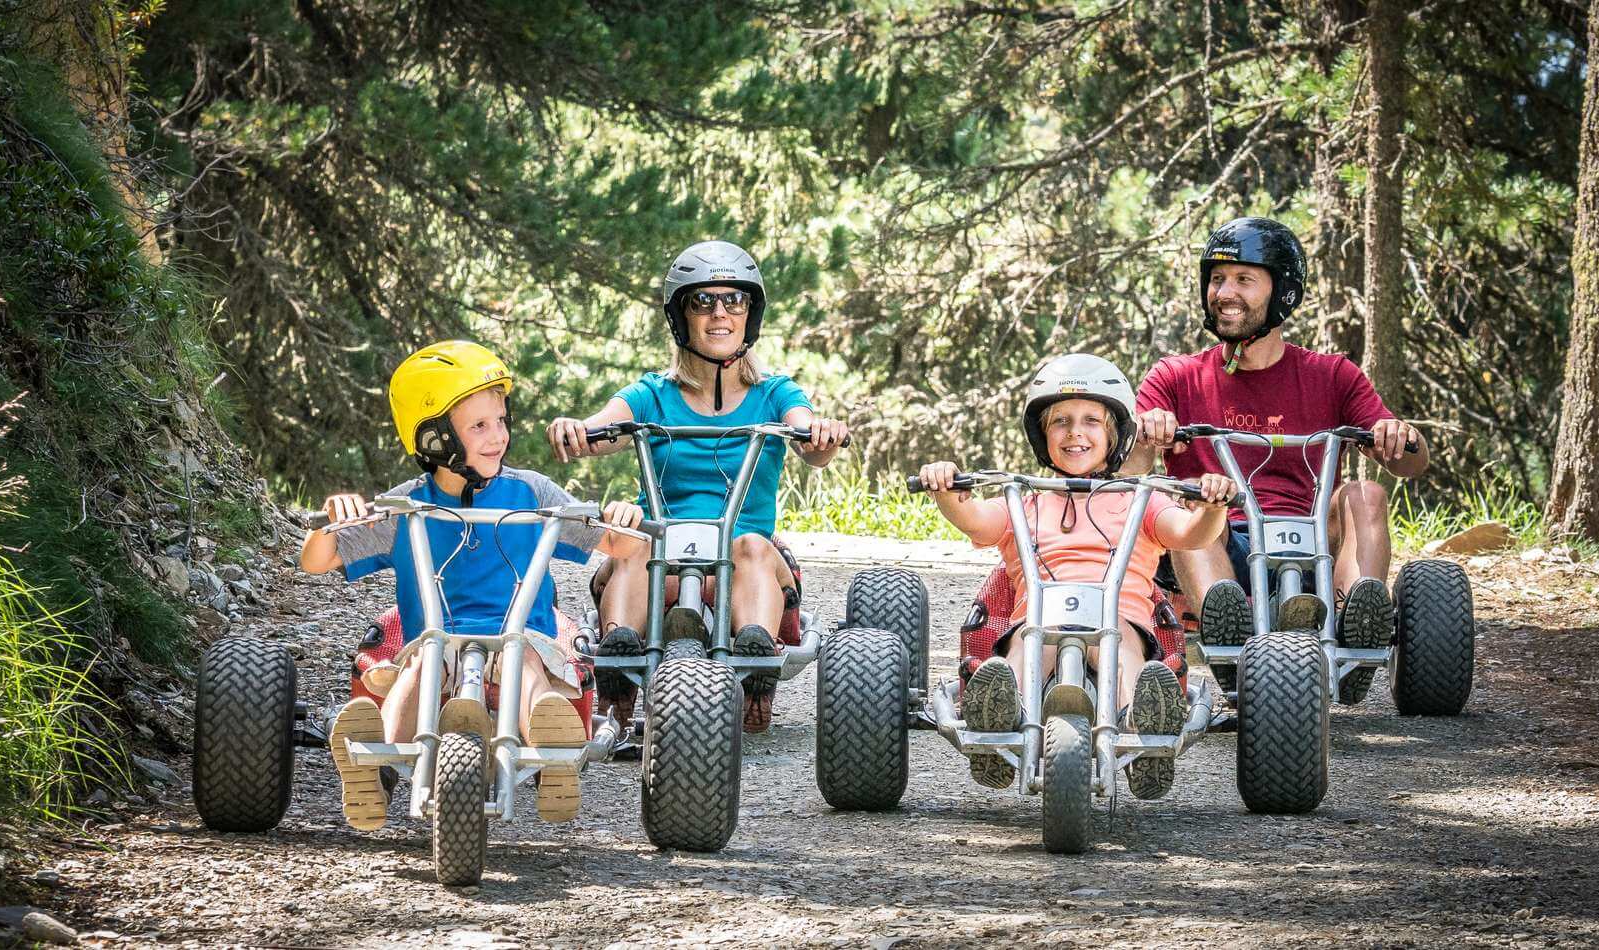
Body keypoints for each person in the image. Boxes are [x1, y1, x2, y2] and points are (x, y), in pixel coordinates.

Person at [300, 340, 646, 828]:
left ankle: (555, 754)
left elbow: (619, 547)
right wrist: (332, 520)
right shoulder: (405, 507)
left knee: (524, 663)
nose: (498, 436)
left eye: (501, 421)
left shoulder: (532, 493)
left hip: (522, 636)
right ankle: (373, 771)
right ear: (436, 438)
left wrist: (621, 519)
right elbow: (317, 561)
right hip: (434, 640)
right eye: (479, 426)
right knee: (419, 667)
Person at [547, 241, 848, 733]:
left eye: (734, 300)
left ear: (750, 314)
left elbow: (809, 441)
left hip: (746, 557)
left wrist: (822, 435)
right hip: (661, 553)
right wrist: (576, 429)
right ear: (679, 316)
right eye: (702, 301)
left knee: (750, 543)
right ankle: (618, 661)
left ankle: (756, 668)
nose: (719, 313)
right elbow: (602, 429)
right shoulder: (652, 394)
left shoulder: (776, 393)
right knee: (634, 546)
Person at [1126, 216, 1428, 704]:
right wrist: (1150, 430)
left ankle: (1356, 623)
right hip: (1220, 542)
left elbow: (1410, 465)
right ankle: (1229, 637)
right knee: (1181, 499)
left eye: (1244, 280)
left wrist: (1396, 437)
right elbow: (1130, 471)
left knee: (1365, 492)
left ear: (1282, 290)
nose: (1225, 292)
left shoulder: (1332, 375)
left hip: (1314, 544)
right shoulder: (1175, 376)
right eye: (1217, 279)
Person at [915, 353, 1237, 800]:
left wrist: (1212, 507)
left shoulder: (1140, 499)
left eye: (1091, 421)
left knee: (1121, 642)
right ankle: (999, 719)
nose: (1075, 433)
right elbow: (977, 521)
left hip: (1120, 621)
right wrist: (947, 489)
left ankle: (1143, 730)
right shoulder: (1024, 501)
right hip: (1038, 623)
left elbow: (1189, 534)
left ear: (1116, 433)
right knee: (1030, 645)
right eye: (1060, 422)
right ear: (1040, 434)